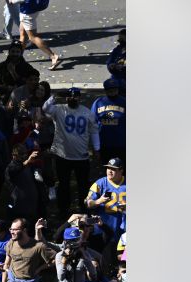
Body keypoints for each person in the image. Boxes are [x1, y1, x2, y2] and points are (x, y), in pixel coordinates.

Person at [43, 88, 99, 216]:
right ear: (66, 97)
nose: (72, 99)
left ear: (80, 98)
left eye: (76, 97)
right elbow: (45, 108)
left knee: (83, 185)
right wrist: (55, 96)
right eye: (69, 96)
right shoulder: (58, 109)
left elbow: (94, 131)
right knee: (63, 185)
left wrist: (97, 148)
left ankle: (84, 209)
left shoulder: (87, 112)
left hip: (81, 156)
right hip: (62, 156)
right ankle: (63, 210)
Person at [18, 0, 63, 70]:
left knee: (33, 37)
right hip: (32, 8)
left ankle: (53, 56)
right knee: (23, 34)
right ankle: (17, 58)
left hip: (27, 11)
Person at [92, 78, 126, 164]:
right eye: (110, 89)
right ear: (106, 90)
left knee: (122, 170)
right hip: (104, 143)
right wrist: (95, 147)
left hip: (121, 144)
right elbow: (92, 122)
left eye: (115, 89)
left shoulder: (124, 102)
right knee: (107, 168)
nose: (113, 91)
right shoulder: (98, 103)